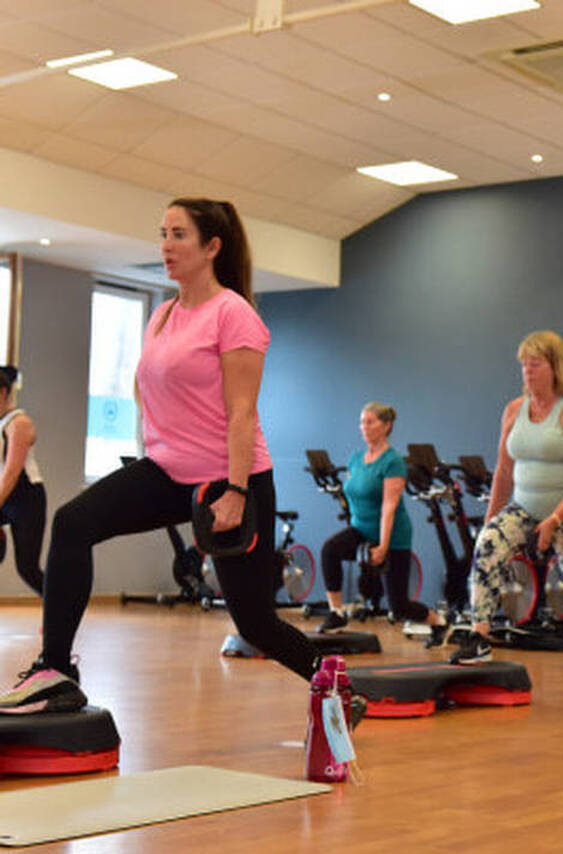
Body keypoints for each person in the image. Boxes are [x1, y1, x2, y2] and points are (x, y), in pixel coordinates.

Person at [0, 198, 329, 714]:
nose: (166, 246)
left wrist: (237, 491)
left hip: (228, 478)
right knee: (72, 523)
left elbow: (243, 413)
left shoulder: (233, 314)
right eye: (163, 234)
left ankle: (334, 684)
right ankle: (56, 671)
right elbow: (148, 387)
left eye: (179, 235)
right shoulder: (163, 314)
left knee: (254, 623)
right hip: (167, 470)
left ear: (212, 247)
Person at [452, 330, 563, 695]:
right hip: (525, 508)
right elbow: (503, 472)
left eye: (535, 364)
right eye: (524, 364)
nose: (527, 371)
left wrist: (554, 520)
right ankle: (480, 635)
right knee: (487, 546)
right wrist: (491, 521)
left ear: (555, 367)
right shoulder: (514, 410)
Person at [319, 402, 447, 644]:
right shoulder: (355, 460)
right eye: (362, 422)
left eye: (370, 422)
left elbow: (389, 506)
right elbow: (353, 494)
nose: (364, 427)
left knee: (399, 607)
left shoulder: (393, 462)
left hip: (393, 535)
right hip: (360, 529)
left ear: (386, 426)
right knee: (330, 549)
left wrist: (383, 546)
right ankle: (337, 613)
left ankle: (438, 622)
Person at [0, 365, 45, 596]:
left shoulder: (19, 423)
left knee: (27, 568)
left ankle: (61, 605)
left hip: (26, 499)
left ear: (3, 392)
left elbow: (11, 474)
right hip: (6, 495)